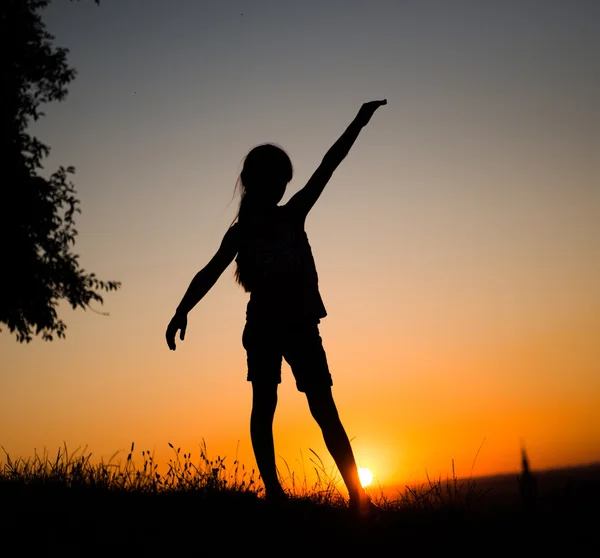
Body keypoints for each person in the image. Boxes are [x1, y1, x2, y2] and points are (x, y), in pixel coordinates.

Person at [166, 100, 387, 514]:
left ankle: (358, 495)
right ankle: (274, 493)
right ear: (257, 183)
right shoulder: (241, 232)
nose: (283, 189)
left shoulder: (293, 214)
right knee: (264, 406)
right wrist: (182, 309)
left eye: (285, 183)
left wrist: (359, 121)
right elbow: (209, 272)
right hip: (265, 327)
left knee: (324, 408)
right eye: (277, 182)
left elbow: (329, 164)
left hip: (302, 325)